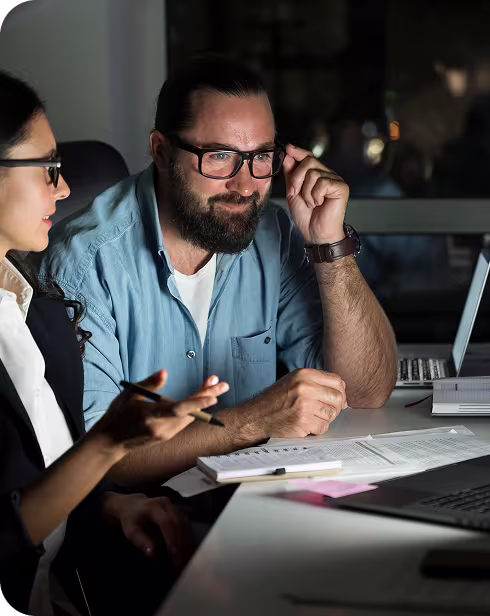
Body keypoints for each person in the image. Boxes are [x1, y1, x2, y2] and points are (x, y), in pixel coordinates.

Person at [40, 56, 397, 486]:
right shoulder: (83, 262)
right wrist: (254, 421)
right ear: (160, 150)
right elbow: (96, 458)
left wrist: (330, 245)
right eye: (220, 156)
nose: (245, 185)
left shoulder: (273, 237)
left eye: (260, 157)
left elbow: (364, 391)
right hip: (149, 525)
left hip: (255, 502)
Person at [0, 70, 229, 615]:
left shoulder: (35, 311)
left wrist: (109, 508)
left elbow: (43, 483)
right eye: (48, 168)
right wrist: (109, 443)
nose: (63, 187)